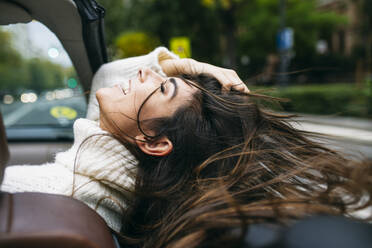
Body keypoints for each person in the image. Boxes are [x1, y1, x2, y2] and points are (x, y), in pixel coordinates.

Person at [0, 47, 249, 233]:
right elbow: (105, 76)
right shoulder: (112, 182)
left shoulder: (59, 192)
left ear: (155, 143)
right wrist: (190, 66)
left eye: (162, 88)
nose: (145, 71)